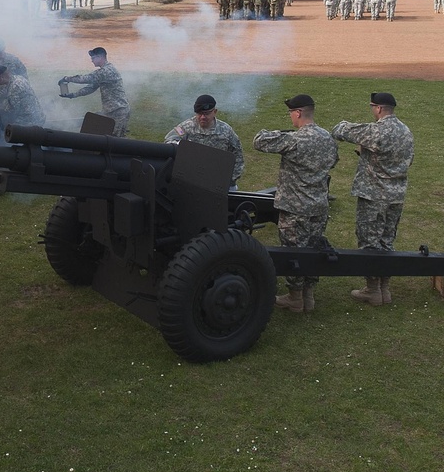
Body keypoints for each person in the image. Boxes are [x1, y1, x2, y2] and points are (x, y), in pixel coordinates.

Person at [253, 94, 338, 314]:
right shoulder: (327, 138)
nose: (291, 117)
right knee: (314, 247)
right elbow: (334, 161)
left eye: (291, 113)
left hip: (295, 207)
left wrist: (284, 132)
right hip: (319, 204)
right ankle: (309, 296)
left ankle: (295, 297)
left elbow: (259, 140)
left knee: (293, 251)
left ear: (298, 113)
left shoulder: (294, 140)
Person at [331, 92, 414, 307]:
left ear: (378, 109)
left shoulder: (376, 130)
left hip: (374, 195)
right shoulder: (406, 132)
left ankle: (372, 290)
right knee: (387, 241)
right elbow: (407, 161)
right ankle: (385, 288)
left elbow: (340, 130)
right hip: (396, 194)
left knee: (369, 241)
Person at [164, 95, 245, 190]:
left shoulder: (226, 131)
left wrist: (231, 180)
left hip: (219, 181)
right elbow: (169, 141)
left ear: (215, 112)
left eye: (206, 113)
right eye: (199, 113)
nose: (202, 117)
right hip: (192, 179)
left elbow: (238, 154)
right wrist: (183, 147)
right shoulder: (185, 127)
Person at [58, 47, 131, 136]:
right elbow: (91, 88)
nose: (92, 61)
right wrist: (73, 95)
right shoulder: (104, 73)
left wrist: (66, 78)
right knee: (98, 129)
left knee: (115, 141)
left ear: (100, 57)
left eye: (93, 58)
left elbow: (85, 79)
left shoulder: (106, 71)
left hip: (118, 112)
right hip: (110, 111)